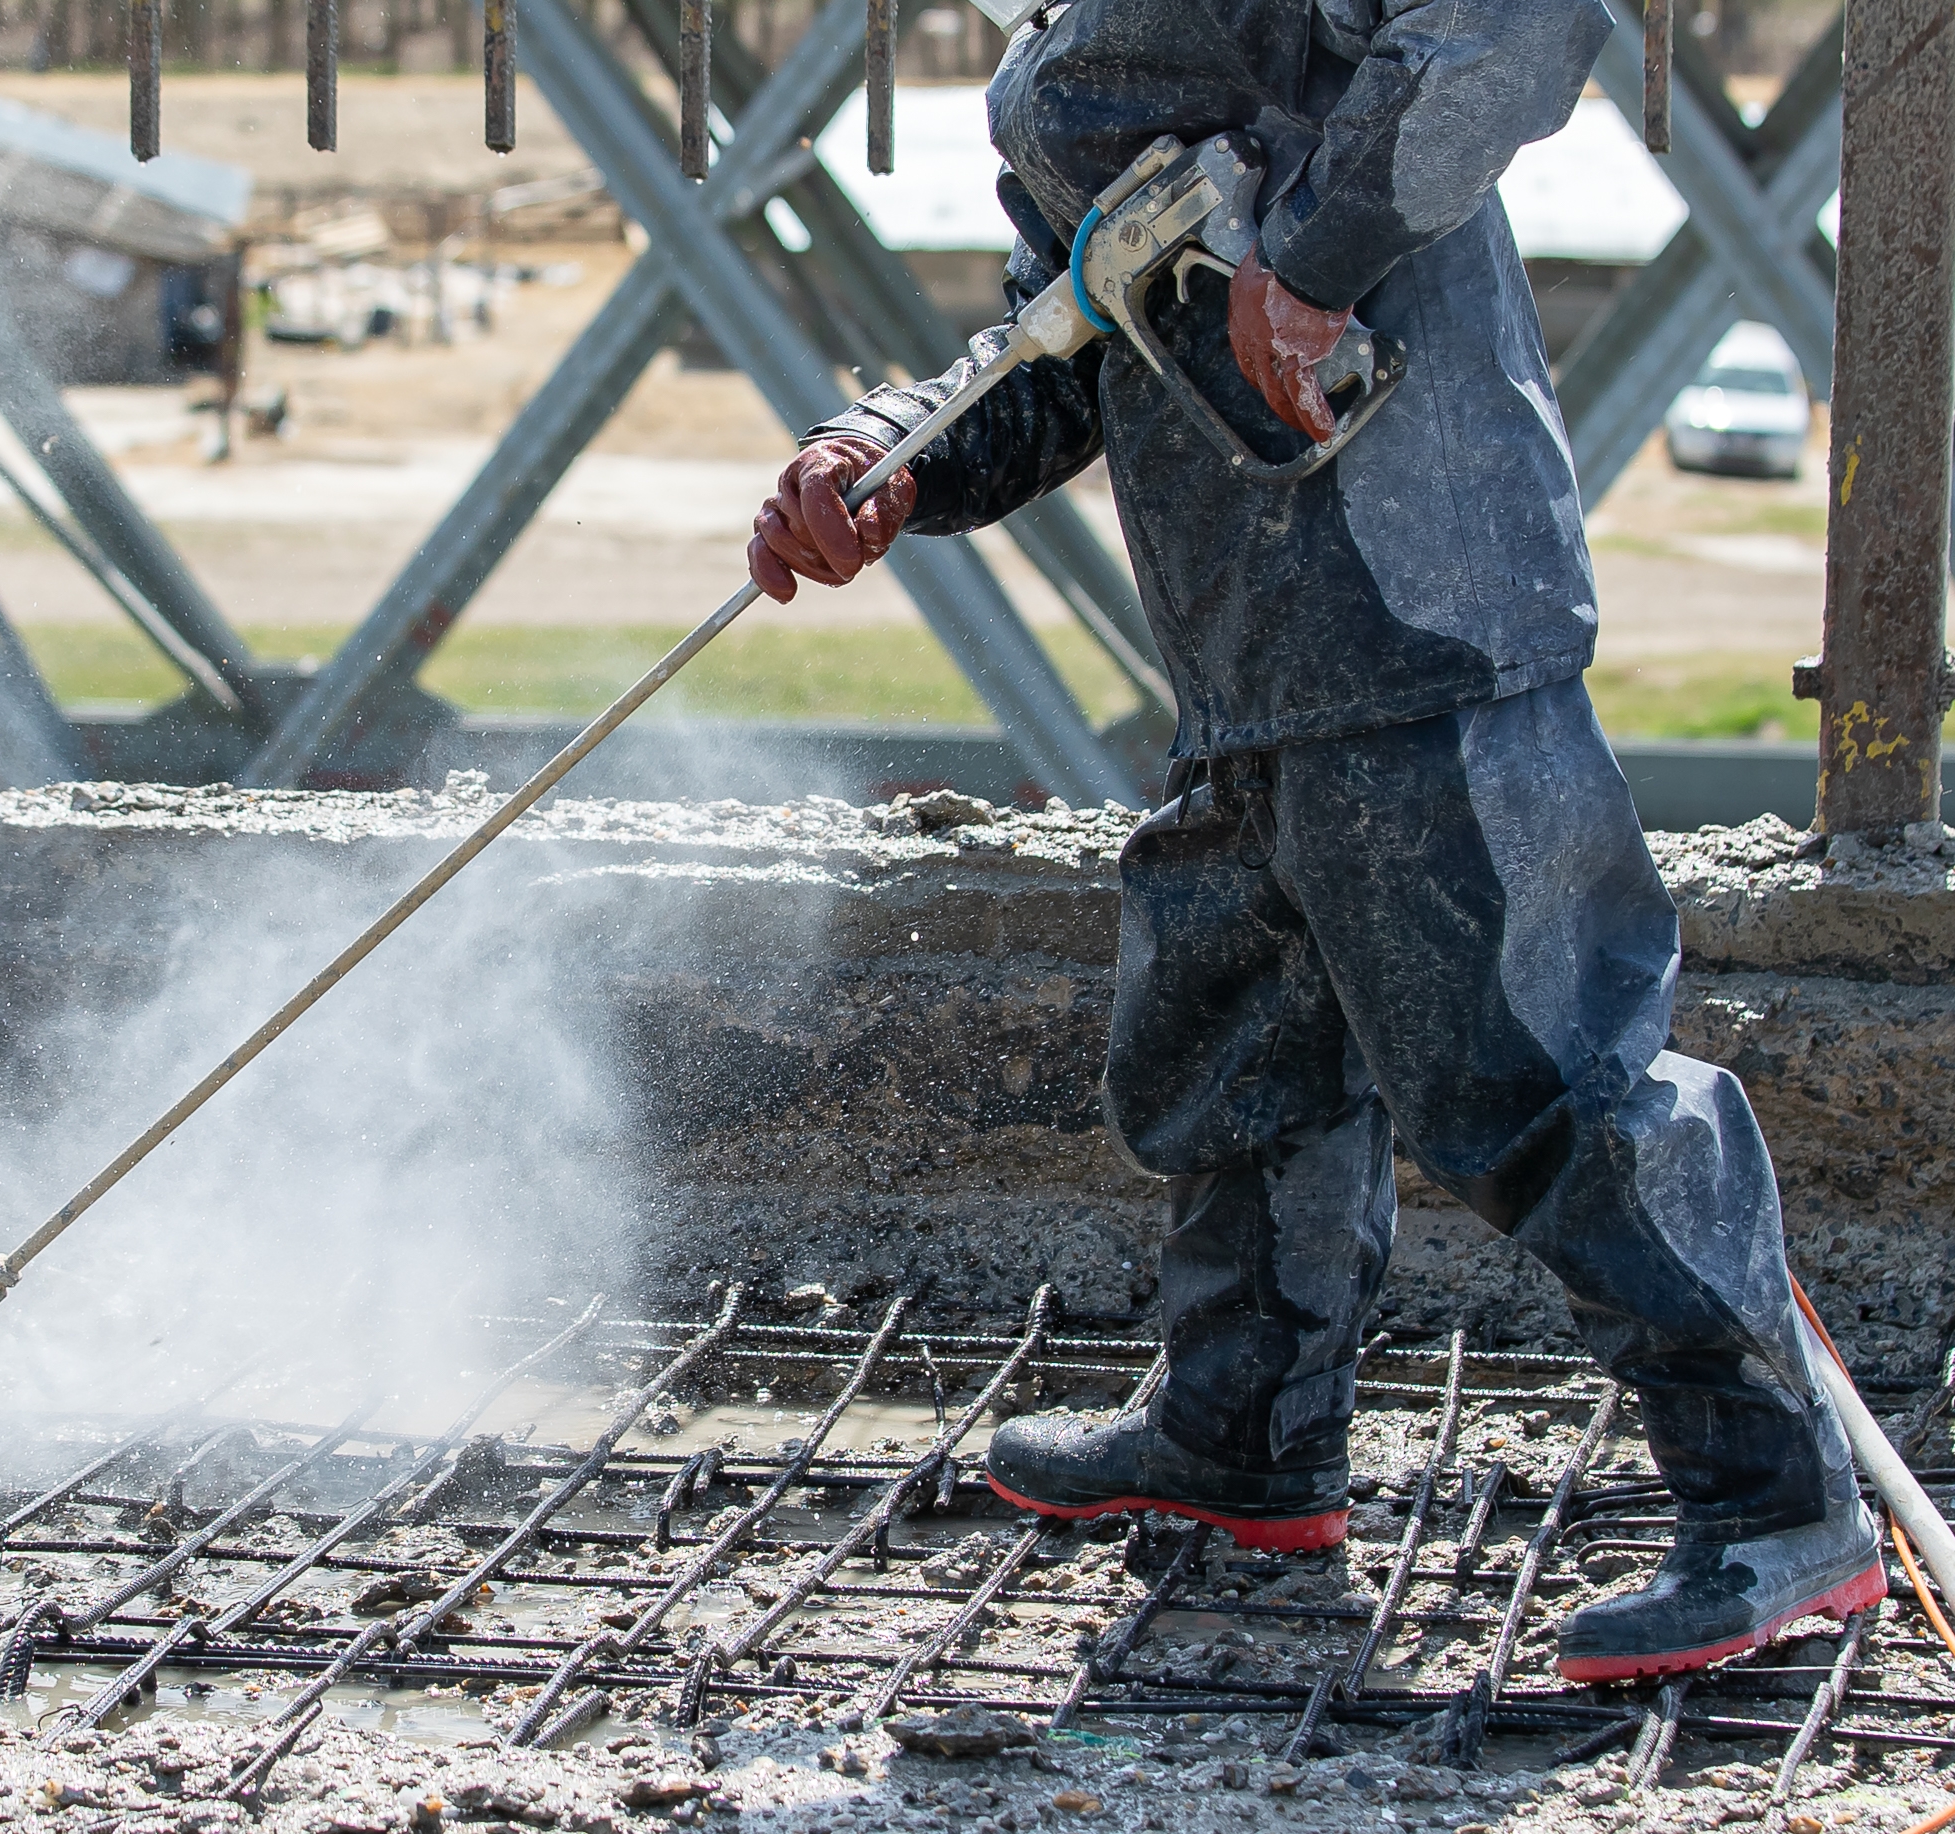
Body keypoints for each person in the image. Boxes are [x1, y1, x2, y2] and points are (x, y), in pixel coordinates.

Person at [746, 0, 1879, 1683]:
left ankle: (1775, 1505)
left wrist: (1326, 260)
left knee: (1536, 1072)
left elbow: (1507, 24)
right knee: (1233, 1055)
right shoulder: (1059, 61)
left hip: (1415, 620)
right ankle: (1242, 1443)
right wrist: (896, 454)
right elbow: (1073, 344)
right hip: (1247, 663)